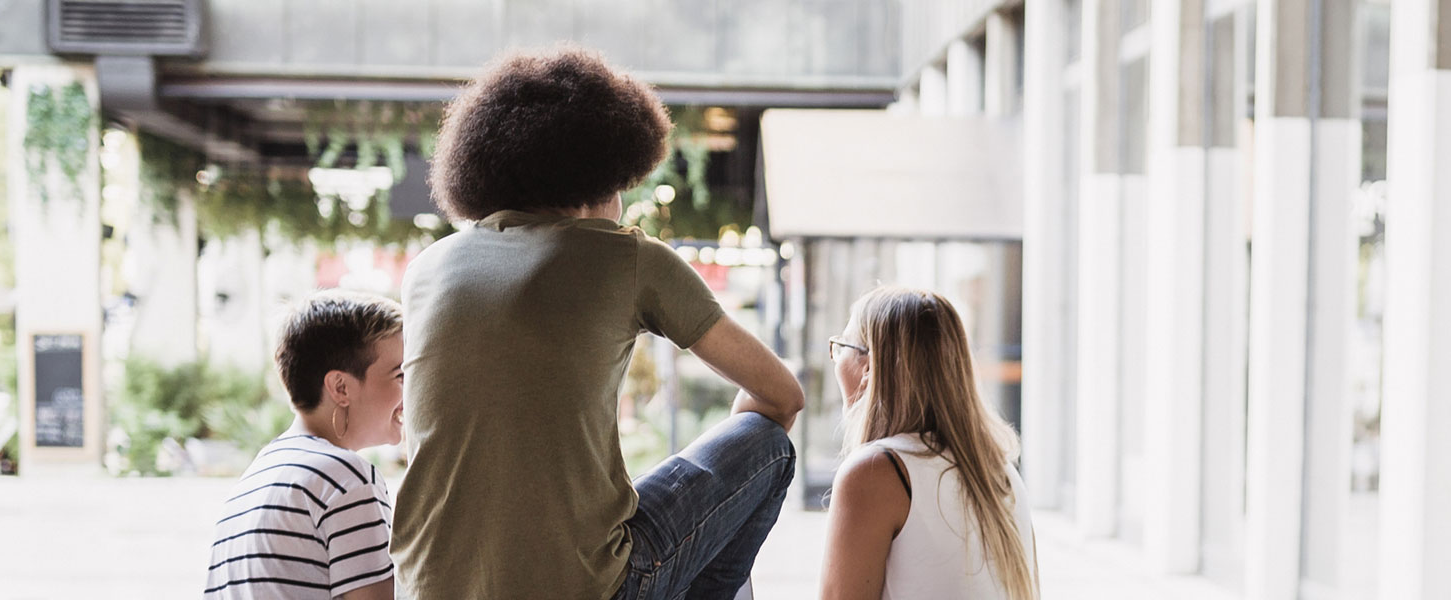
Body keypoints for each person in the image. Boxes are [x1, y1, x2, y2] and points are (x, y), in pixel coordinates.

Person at [394, 45, 805, 600]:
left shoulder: (426, 270)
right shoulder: (627, 257)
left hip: (427, 587)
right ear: (600, 180)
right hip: (584, 587)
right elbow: (782, 395)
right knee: (766, 445)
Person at [819, 287, 1040, 600]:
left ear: (870, 367)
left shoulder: (877, 472)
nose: (835, 359)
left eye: (840, 347)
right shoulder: (1001, 473)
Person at [204, 291, 405, 599]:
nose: (412, 392)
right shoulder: (345, 480)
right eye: (400, 375)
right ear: (341, 387)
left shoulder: (250, 484)